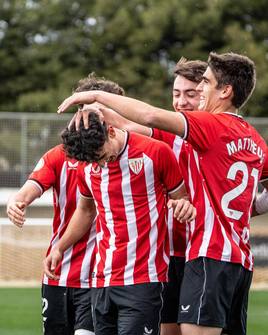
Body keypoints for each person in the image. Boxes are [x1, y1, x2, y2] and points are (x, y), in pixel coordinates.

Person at [56, 51, 267, 335]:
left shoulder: (209, 126)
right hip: (237, 259)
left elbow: (149, 115)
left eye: (203, 84)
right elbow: (132, 126)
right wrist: (247, 208)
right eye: (178, 92)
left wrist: (93, 95)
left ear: (225, 91)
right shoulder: (254, 139)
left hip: (207, 253)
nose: (197, 92)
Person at [43, 111, 196, 335]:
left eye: (102, 156)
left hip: (143, 278)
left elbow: (182, 198)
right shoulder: (87, 166)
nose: (101, 164)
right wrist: (60, 247)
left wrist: (184, 206)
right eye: (94, 161)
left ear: (111, 131)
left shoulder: (155, 152)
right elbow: (85, 211)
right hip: (101, 280)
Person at [6, 73, 126, 335]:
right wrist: (17, 202)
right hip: (58, 272)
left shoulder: (126, 158)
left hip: (100, 276)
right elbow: (31, 187)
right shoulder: (59, 156)